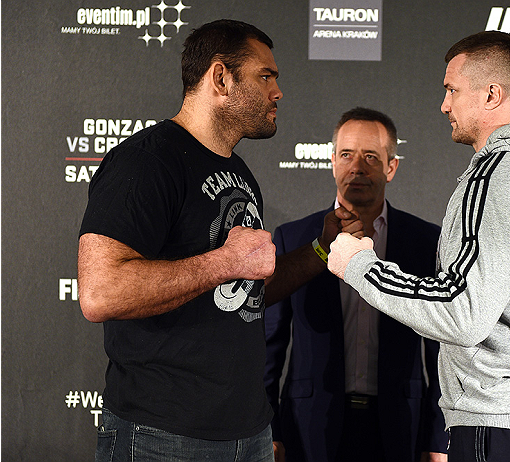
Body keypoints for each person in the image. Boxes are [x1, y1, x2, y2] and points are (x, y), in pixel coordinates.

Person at [77, 19, 361, 462]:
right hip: (162, 435)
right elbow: (100, 293)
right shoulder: (145, 161)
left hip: (246, 433)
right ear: (221, 78)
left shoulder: (239, 172)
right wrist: (225, 262)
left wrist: (319, 251)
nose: (277, 91)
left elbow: (245, 290)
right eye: (265, 76)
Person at [328, 31, 510, 462]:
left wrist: (359, 264)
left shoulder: (499, 172)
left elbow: (461, 312)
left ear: (491, 94)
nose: (444, 105)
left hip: (501, 418)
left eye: (452, 90)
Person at [264, 107, 448, 462]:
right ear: (332, 161)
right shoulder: (294, 237)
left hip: (400, 427)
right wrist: (269, 429)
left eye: (370, 157)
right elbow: (270, 346)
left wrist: (437, 438)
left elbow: (442, 351)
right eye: (346, 154)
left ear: (391, 167)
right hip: (309, 426)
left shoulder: (424, 241)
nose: (357, 167)